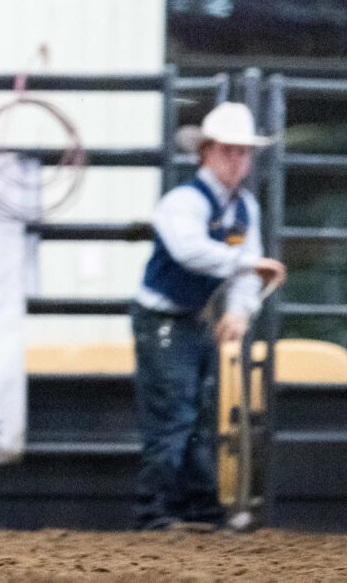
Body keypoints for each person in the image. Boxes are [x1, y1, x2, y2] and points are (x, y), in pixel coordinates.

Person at [133, 101, 287, 531]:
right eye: (228, 150)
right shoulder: (182, 202)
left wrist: (239, 310)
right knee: (177, 416)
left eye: (244, 152)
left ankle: (194, 510)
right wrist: (248, 267)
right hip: (162, 319)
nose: (238, 160)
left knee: (193, 417)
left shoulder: (243, 208)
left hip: (189, 319)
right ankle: (156, 512)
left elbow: (244, 270)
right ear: (207, 152)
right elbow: (192, 252)